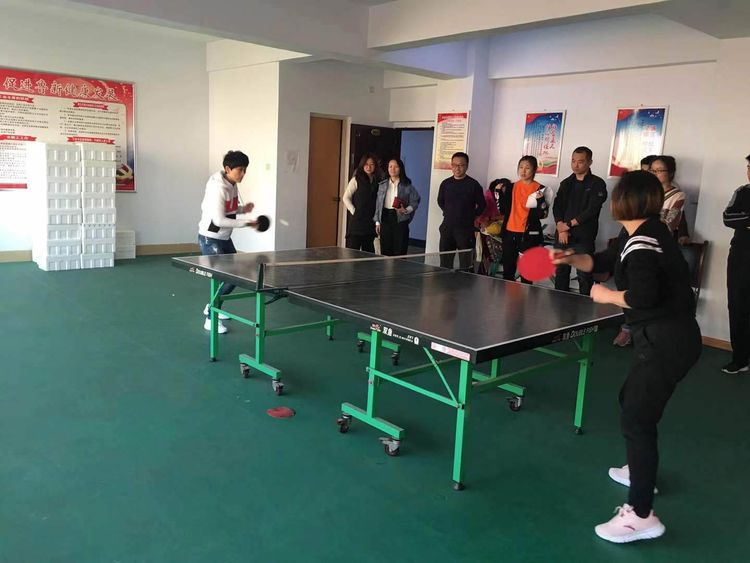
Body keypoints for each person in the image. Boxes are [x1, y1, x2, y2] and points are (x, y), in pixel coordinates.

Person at [552, 170, 701, 544]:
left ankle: (641, 515)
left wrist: (606, 296)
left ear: (624, 201)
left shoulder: (644, 244)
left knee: (637, 416)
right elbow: (604, 260)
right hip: (667, 338)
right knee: (631, 402)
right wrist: (570, 257)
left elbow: (643, 297)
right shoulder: (643, 233)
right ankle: (639, 470)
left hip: (666, 341)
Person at [198, 150, 258, 334]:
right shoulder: (218, 188)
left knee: (231, 277)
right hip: (210, 239)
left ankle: (212, 307)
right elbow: (219, 220)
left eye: (245, 170)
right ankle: (210, 319)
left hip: (224, 238)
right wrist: (247, 223)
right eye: (240, 170)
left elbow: (228, 208)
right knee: (228, 278)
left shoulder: (232, 183)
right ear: (228, 169)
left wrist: (242, 209)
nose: (243, 174)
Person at [553, 147, 608, 295]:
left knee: (584, 275)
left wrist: (568, 225)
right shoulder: (566, 183)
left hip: (584, 237)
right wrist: (560, 226)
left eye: (580, 162)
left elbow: (592, 210)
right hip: (562, 236)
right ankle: (559, 303)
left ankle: (585, 304)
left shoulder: (597, 183)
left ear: (589, 162)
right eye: (573, 161)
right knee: (561, 272)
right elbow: (557, 207)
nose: (575, 165)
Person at [497, 155, 552, 283]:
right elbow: (503, 210)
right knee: (508, 268)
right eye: (521, 167)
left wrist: (541, 200)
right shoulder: (510, 187)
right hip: (509, 232)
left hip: (529, 234)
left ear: (534, 170)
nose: (523, 171)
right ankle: (507, 293)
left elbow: (543, 215)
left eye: (527, 168)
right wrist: (499, 193)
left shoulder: (540, 189)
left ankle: (526, 294)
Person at [721, 154, 750, 374]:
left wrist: (745, 219)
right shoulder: (742, 192)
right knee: (738, 305)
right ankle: (740, 359)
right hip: (741, 256)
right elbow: (728, 218)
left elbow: (738, 219)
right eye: (749, 167)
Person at [437, 152, 485, 269]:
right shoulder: (445, 183)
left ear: (467, 166)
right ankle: (445, 280)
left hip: (465, 229)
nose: (457, 168)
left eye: (461, 165)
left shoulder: (473, 185)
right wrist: (449, 212)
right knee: (445, 263)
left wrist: (471, 216)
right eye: (454, 165)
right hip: (447, 227)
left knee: (466, 264)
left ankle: (465, 281)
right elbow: (440, 201)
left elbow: (482, 205)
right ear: (451, 165)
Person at [374, 158, 420, 256]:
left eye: (396, 166)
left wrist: (406, 210)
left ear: (400, 168)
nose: (392, 169)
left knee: (400, 249)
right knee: (385, 249)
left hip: (400, 218)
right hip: (385, 217)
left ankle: (399, 266)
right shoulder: (382, 184)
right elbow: (378, 204)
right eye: (390, 166)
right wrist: (377, 222)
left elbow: (415, 200)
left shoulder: (406, 185)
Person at [343, 153, 380, 253]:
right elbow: (346, 197)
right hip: (357, 222)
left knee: (369, 253)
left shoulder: (377, 181)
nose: (369, 167)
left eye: (371, 164)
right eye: (366, 164)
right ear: (362, 165)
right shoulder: (356, 179)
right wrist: (354, 211)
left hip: (370, 222)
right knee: (352, 252)